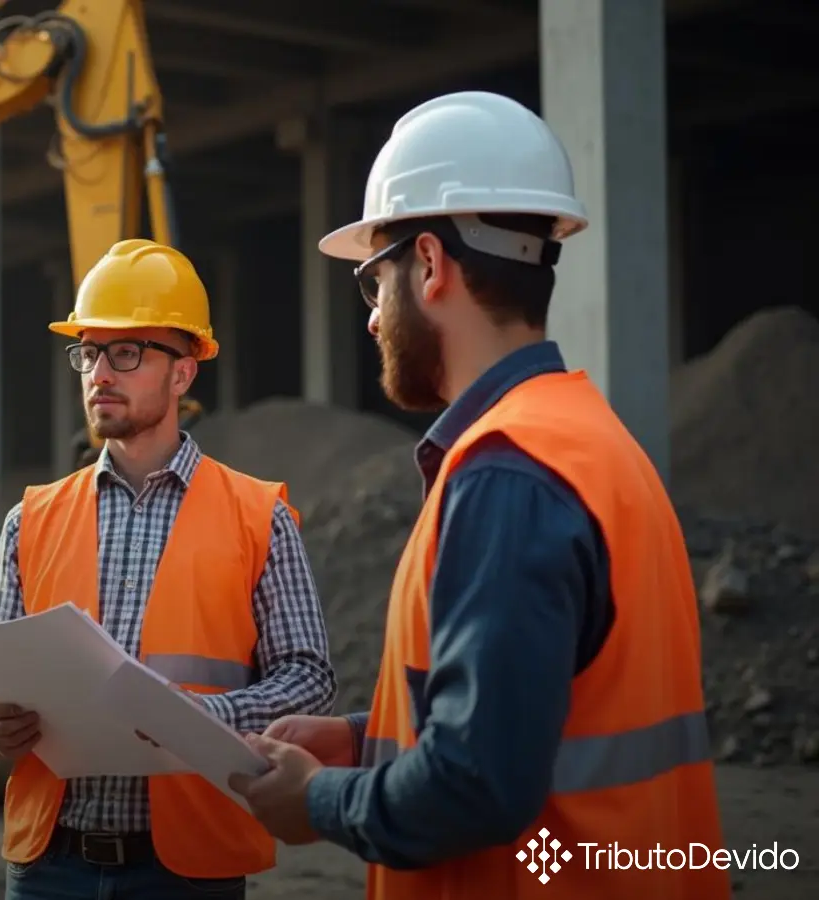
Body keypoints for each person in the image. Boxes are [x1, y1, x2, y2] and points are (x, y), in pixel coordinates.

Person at [226, 91, 730, 897]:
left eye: (373, 281)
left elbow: (477, 782)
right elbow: (534, 711)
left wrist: (317, 799)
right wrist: (364, 739)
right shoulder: (589, 441)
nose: (371, 319)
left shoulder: (507, 475)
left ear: (428, 265)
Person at [0, 238, 337, 899]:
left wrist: (196, 717)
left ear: (183, 373)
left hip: (188, 870)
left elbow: (310, 679)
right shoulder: (31, 519)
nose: (100, 373)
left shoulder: (257, 517)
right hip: (50, 870)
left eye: (126, 352)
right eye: (89, 353)